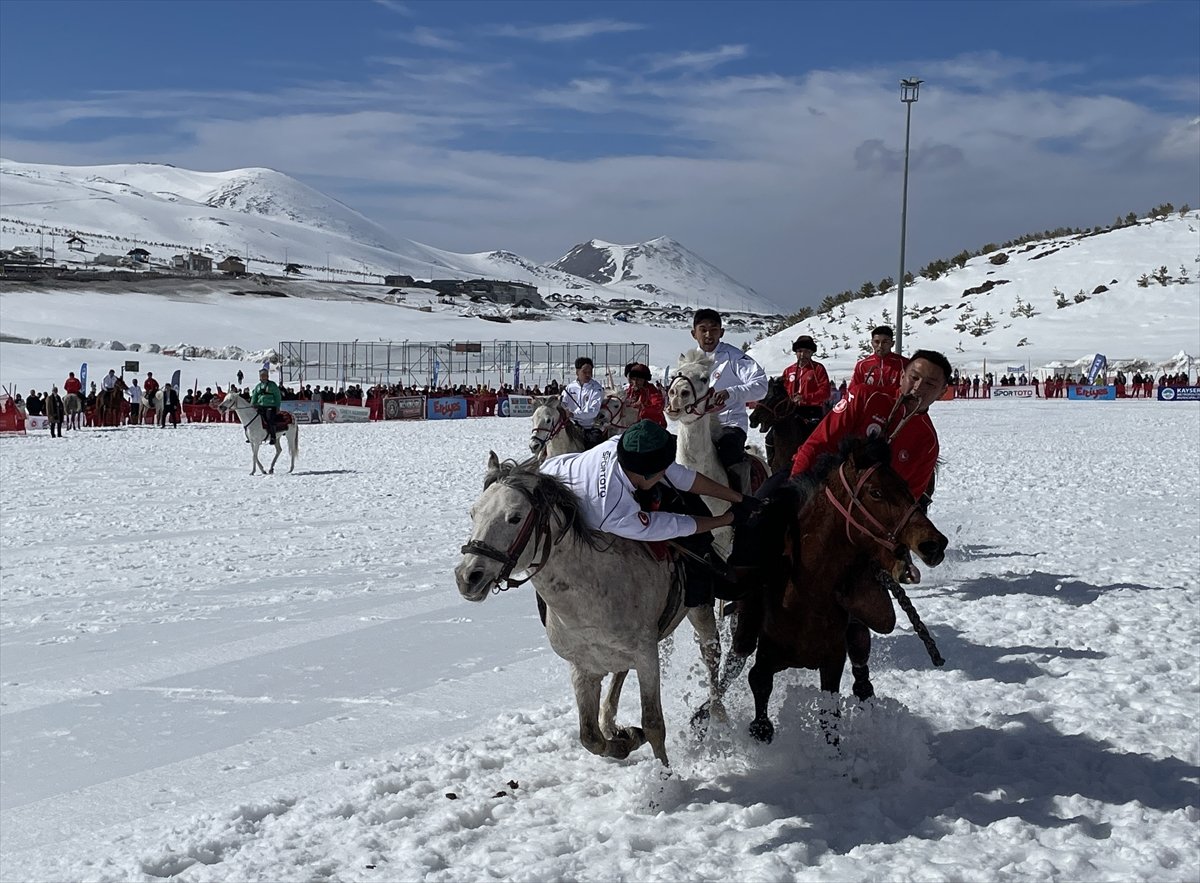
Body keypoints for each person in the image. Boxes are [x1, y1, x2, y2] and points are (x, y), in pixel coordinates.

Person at [540, 420, 762, 606]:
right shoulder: (615, 510)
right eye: (662, 471)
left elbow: (682, 477)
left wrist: (738, 498)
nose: (666, 473)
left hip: (553, 471)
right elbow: (675, 525)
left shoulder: (622, 444)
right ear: (646, 474)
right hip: (562, 527)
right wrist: (727, 519)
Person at [791, 349, 952, 505]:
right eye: (914, 377)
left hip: (869, 514)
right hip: (823, 493)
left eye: (930, 384)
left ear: (942, 392)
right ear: (902, 376)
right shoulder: (865, 397)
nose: (918, 387)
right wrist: (794, 491)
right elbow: (817, 444)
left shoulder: (928, 441)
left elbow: (907, 499)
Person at [688, 308, 769, 491]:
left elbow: (761, 386)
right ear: (694, 334)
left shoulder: (734, 357)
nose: (708, 335)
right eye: (703, 330)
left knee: (729, 452)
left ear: (722, 332)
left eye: (714, 329)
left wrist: (731, 392)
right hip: (698, 425)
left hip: (729, 423)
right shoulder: (689, 361)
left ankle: (742, 499)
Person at [849, 325, 909, 397]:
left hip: (894, 403)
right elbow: (852, 392)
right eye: (877, 342)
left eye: (885, 342)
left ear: (892, 343)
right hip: (869, 404)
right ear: (872, 343)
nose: (880, 346)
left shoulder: (903, 363)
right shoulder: (862, 365)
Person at [560, 356, 605, 446]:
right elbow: (563, 403)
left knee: (594, 442)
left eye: (590, 372)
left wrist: (573, 414)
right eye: (585, 372)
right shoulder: (570, 388)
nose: (588, 374)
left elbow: (593, 411)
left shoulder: (596, 389)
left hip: (589, 428)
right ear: (577, 372)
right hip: (570, 426)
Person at [623, 362, 666, 427]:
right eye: (633, 379)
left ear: (644, 380)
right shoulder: (630, 390)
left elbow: (658, 406)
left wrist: (642, 408)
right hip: (634, 425)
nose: (635, 382)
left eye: (639, 379)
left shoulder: (651, 391)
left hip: (653, 425)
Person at [250, 368, 282, 443]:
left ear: (267, 376)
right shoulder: (258, 386)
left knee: (269, 419)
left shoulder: (272, 385)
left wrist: (277, 406)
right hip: (260, 406)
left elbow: (277, 396)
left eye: (264, 375)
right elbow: (254, 396)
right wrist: (252, 404)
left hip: (270, 405)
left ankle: (273, 436)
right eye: (262, 375)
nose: (263, 377)